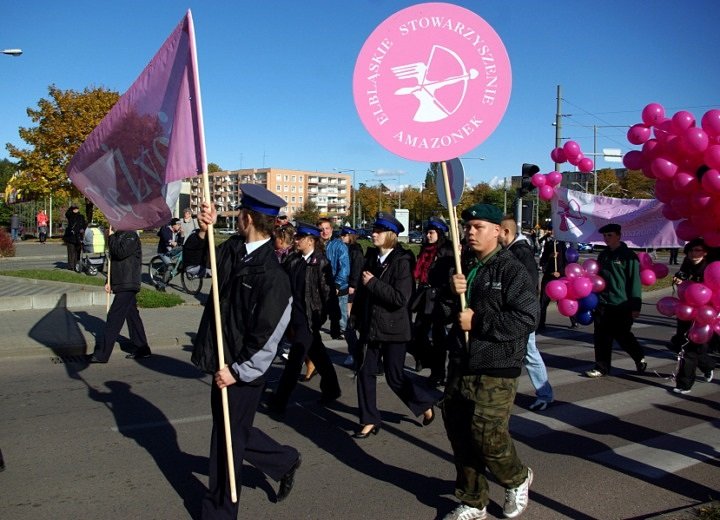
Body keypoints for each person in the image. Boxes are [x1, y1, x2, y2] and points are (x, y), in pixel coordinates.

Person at [192, 184, 301, 517]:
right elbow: (195, 264)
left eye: (239, 212)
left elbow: (268, 338)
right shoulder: (233, 249)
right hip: (222, 360)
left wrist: (237, 371)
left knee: (226, 442)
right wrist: (201, 233)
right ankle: (283, 460)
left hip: (241, 370)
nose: (236, 216)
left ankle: (220, 512)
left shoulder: (274, 275)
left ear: (248, 218)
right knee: (232, 430)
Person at [442, 203, 536, 520]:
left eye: (478, 226)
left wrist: (478, 321)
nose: (470, 232)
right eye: (468, 227)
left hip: (497, 365)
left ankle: (517, 477)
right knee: (460, 432)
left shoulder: (511, 270)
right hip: (461, 361)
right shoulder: (464, 264)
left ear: (497, 231)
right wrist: (450, 291)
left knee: (487, 434)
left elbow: (526, 318)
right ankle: (473, 500)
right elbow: (447, 311)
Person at [350, 212, 435, 439]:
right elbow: (362, 293)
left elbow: (401, 298)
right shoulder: (371, 258)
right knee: (365, 372)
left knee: (394, 377)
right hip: (371, 327)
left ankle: (424, 403)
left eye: (378, 231)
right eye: (373, 230)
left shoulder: (402, 261)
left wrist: (374, 284)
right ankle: (368, 419)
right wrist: (356, 317)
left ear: (390, 235)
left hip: (394, 328)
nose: (373, 234)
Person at [266, 222, 342, 413]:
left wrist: (334, 320)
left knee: (294, 360)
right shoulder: (294, 260)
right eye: (296, 237)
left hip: (309, 319)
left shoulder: (320, 263)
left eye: (300, 237)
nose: (296, 240)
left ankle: (279, 401)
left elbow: (329, 294)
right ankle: (332, 389)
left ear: (311, 241)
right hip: (293, 317)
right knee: (318, 354)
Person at [499, 215, 554, 412]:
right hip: (517, 312)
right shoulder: (513, 250)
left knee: (530, 354)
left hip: (522, 314)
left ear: (506, 232)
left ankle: (545, 394)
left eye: (498, 231)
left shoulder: (520, 252)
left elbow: (529, 286)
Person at [585, 223, 647, 378]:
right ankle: (601, 367)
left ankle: (639, 356)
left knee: (622, 335)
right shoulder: (603, 255)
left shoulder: (628, 256)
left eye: (610, 235)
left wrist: (635, 306)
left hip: (621, 304)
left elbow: (634, 282)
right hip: (603, 303)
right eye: (605, 236)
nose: (606, 238)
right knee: (601, 337)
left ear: (619, 236)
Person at [87, 228, 151, 363]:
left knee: (114, 317)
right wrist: (108, 280)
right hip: (121, 281)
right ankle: (142, 348)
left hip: (128, 282)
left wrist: (110, 238)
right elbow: (114, 261)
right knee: (132, 315)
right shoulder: (117, 236)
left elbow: (121, 253)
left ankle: (102, 354)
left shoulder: (131, 236)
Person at [410, 216, 454, 387]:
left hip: (439, 298)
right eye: (427, 232)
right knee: (418, 332)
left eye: (431, 233)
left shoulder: (446, 250)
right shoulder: (425, 249)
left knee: (438, 337)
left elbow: (449, 273)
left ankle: (438, 373)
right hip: (424, 295)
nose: (428, 236)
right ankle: (423, 358)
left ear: (440, 233)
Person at [670, 238, 715, 393]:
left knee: (692, 349)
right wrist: (678, 278)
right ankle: (708, 366)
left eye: (697, 251)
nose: (693, 254)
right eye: (691, 251)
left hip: (705, 312)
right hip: (687, 309)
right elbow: (682, 275)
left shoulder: (710, 267)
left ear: (705, 252)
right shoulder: (687, 263)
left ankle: (684, 384)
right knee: (683, 343)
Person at [537, 225, 577, 330]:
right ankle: (541, 323)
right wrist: (550, 257)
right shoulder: (548, 244)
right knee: (543, 301)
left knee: (564, 299)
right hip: (549, 276)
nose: (550, 232)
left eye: (552, 230)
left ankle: (574, 320)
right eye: (549, 230)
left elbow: (569, 262)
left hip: (561, 277)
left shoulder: (564, 244)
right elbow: (542, 261)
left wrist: (561, 272)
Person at [317, 217, 350, 340]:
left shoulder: (339, 245)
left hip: (338, 287)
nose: (325, 232)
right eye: (321, 229)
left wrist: (337, 284)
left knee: (341, 318)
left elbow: (344, 267)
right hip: (321, 286)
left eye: (327, 228)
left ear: (331, 229)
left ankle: (350, 350)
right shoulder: (315, 244)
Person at [340, 226, 365, 367]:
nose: (342, 237)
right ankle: (355, 351)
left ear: (351, 236)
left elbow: (357, 268)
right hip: (347, 287)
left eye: (344, 234)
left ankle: (355, 352)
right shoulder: (346, 249)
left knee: (349, 321)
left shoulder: (355, 250)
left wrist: (353, 285)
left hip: (352, 289)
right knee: (348, 321)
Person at [63, 206, 87, 271]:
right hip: (71, 236)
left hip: (78, 236)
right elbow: (67, 214)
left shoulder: (81, 216)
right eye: (74, 209)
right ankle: (71, 266)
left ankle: (77, 265)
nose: (76, 210)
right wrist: (71, 208)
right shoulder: (70, 215)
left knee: (78, 252)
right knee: (71, 252)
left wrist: (83, 229)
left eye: (77, 209)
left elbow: (84, 224)